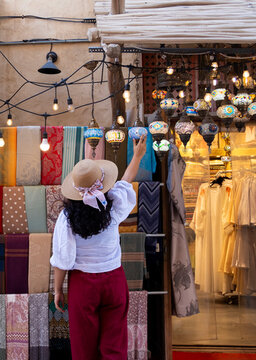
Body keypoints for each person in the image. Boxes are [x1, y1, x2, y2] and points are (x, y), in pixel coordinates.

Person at [50, 135, 147, 359]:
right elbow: (126, 180)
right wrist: (137, 156)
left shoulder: (67, 218)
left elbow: (62, 258)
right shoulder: (113, 205)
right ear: (102, 183)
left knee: (84, 349)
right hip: (114, 281)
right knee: (114, 347)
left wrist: (57, 290)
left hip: (83, 285)